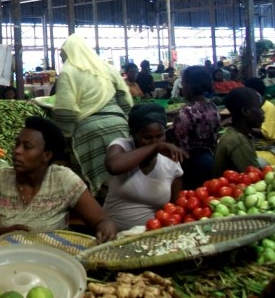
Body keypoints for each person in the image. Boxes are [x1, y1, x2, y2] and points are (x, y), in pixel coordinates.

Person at [0, 116, 117, 248]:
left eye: (27, 147)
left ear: (46, 155)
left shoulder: (63, 179)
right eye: (17, 144)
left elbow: (102, 221)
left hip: (54, 261)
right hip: (11, 260)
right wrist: (7, 233)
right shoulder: (1, 179)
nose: (17, 151)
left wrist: (106, 229)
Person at [50, 34, 133, 199]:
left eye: (63, 54)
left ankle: (98, 207)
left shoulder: (68, 70)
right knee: (121, 172)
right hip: (119, 124)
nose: (62, 57)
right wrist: (125, 118)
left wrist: (63, 135)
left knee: (89, 181)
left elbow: (66, 110)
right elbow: (125, 97)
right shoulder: (106, 67)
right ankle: (121, 204)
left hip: (89, 131)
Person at [103, 103, 186, 231]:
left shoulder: (170, 161)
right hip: (113, 233)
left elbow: (176, 207)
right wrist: (155, 147)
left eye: (160, 136)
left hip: (151, 236)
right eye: (147, 138)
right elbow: (114, 166)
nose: (155, 141)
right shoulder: (122, 146)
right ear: (134, 134)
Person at [172, 65, 221, 190]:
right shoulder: (213, 106)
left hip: (191, 165)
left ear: (190, 85)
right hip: (211, 159)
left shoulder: (187, 112)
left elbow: (181, 147)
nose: (182, 87)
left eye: (183, 82)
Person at [213, 87, 264, 176]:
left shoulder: (234, 133)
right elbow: (255, 177)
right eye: (259, 108)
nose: (263, 112)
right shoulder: (239, 142)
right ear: (245, 111)